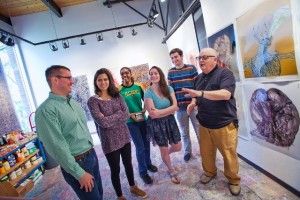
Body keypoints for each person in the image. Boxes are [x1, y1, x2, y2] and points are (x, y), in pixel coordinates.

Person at [35, 65, 103, 200]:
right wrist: (78, 173)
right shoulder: (46, 110)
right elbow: (57, 146)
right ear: (55, 80)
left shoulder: (72, 102)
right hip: (77, 163)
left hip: (91, 156)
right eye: (68, 78)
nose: (72, 81)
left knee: (99, 195)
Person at [183, 48, 241, 196]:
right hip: (204, 123)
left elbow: (226, 94)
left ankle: (233, 180)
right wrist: (193, 102)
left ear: (215, 59)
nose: (201, 60)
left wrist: (200, 94)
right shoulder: (198, 78)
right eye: (199, 57)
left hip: (224, 124)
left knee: (229, 154)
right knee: (206, 153)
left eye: (205, 57)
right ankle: (209, 172)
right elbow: (196, 95)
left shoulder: (225, 74)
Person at [87, 68, 147, 200]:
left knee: (128, 164)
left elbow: (125, 114)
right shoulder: (93, 101)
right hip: (109, 140)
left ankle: (133, 186)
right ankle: (119, 195)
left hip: (124, 135)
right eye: (100, 80)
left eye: (105, 79)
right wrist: (117, 114)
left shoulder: (117, 95)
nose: (103, 82)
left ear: (110, 80)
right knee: (115, 169)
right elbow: (103, 123)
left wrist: (112, 116)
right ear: (96, 82)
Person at [118, 67, 158, 184]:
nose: (125, 74)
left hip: (142, 119)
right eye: (122, 73)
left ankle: (148, 163)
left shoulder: (138, 86)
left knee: (146, 144)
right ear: (121, 76)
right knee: (139, 147)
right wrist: (130, 115)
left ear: (130, 74)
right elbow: (120, 107)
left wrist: (144, 111)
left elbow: (145, 100)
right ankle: (143, 172)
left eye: (126, 72)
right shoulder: (119, 90)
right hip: (130, 122)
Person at [144, 66, 182, 184]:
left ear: (160, 75)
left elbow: (176, 107)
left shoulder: (168, 88)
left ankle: (165, 155)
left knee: (178, 147)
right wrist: (169, 110)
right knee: (163, 149)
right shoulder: (148, 92)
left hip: (170, 121)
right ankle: (170, 170)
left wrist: (160, 112)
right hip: (156, 124)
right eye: (151, 74)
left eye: (156, 73)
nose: (153, 75)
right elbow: (152, 114)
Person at [168, 48, 200, 162]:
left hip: (193, 105)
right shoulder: (171, 72)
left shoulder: (191, 68)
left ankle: (205, 150)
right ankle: (187, 151)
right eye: (172, 58)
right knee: (184, 131)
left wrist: (195, 101)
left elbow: (198, 86)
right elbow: (170, 91)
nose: (174, 59)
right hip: (180, 108)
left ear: (181, 56)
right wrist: (174, 105)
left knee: (199, 130)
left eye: (176, 56)